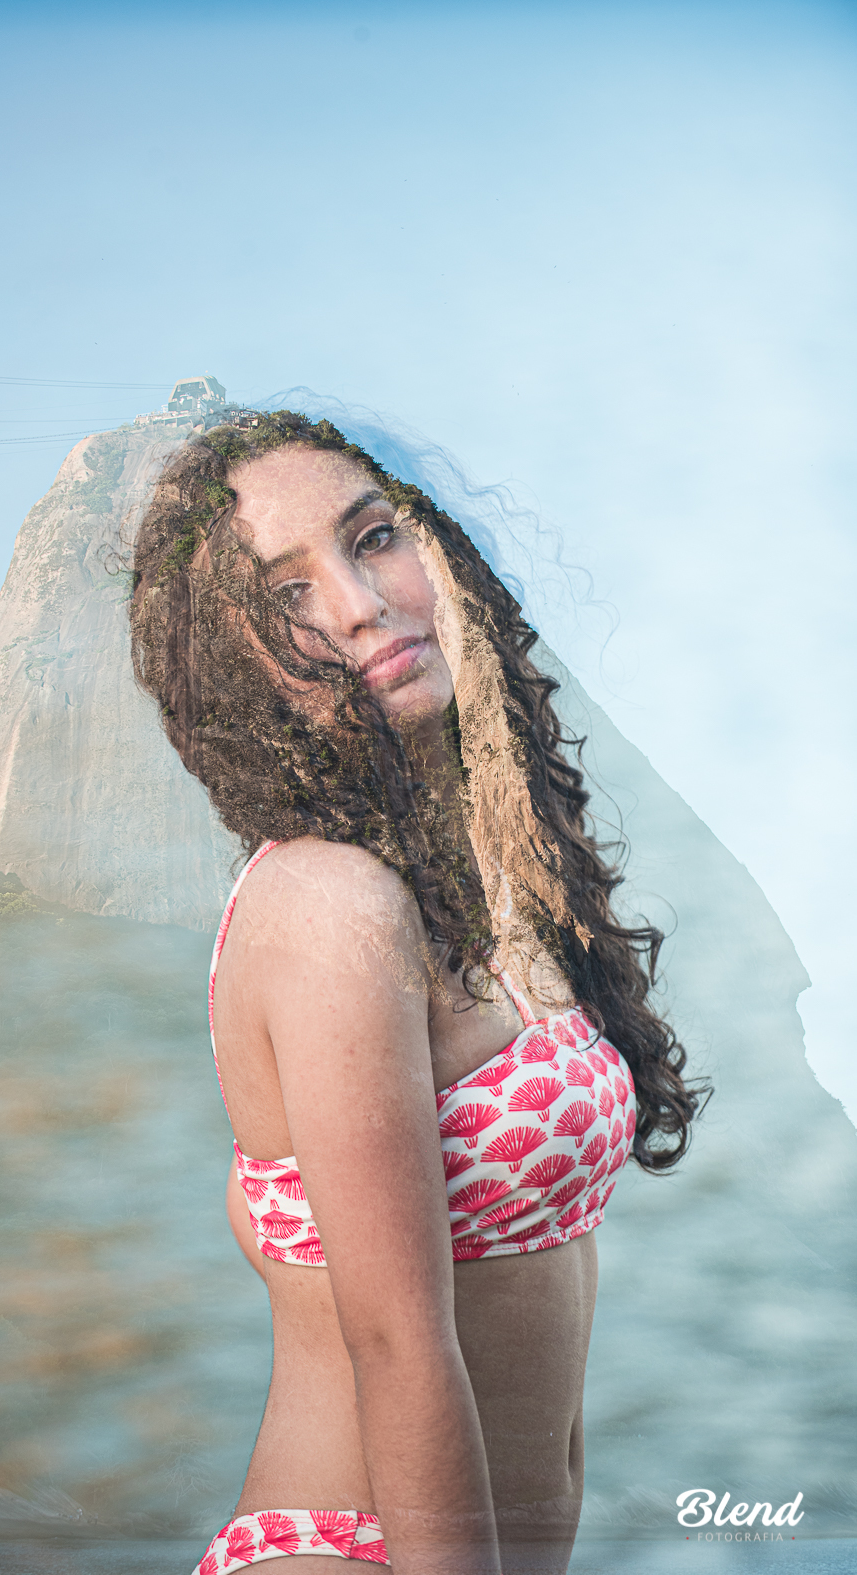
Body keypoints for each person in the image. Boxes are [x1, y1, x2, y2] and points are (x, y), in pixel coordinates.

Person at [130, 410, 706, 1575]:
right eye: (287, 595)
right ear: (234, 669)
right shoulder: (330, 903)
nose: (357, 605)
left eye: (373, 538)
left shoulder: (469, 861)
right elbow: (395, 1343)